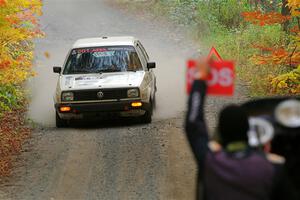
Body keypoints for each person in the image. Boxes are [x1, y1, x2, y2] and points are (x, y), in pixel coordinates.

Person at [185, 59, 283, 200]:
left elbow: (193, 123)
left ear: (220, 134)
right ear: (248, 131)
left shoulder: (211, 162)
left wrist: (200, 79)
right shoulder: (271, 168)